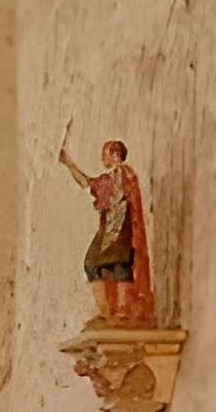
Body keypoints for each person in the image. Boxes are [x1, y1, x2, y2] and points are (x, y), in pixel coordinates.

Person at [56, 128, 154, 328]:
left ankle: (121, 312)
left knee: (117, 266)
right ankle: (107, 312)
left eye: (106, 154)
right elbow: (91, 184)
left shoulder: (123, 175)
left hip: (119, 230)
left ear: (116, 155)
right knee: (96, 264)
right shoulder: (117, 176)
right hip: (111, 228)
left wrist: (69, 163)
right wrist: (69, 164)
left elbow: (95, 186)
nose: (103, 158)